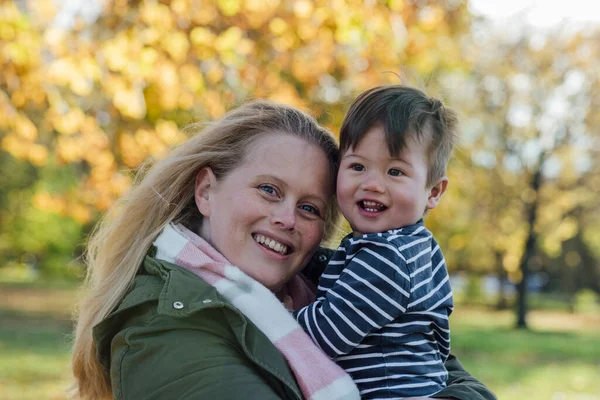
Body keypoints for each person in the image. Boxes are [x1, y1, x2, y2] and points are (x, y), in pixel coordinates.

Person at [71, 100, 496, 400]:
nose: (287, 219)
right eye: (268, 190)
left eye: (310, 208)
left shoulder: (327, 281)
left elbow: (442, 368)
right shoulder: (165, 326)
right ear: (206, 191)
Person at [293, 85, 457, 399]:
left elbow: (326, 334)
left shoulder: (389, 256)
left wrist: (270, 313)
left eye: (395, 171)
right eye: (357, 166)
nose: (371, 184)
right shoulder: (414, 246)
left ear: (433, 192)